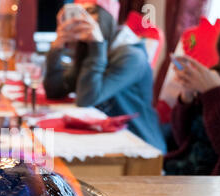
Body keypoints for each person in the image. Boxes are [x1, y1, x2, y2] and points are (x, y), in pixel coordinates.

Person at [44, 0, 167, 153]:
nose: (83, 19)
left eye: (91, 12)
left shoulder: (132, 56)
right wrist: (58, 45)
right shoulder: (92, 49)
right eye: (78, 13)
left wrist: (97, 45)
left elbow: (85, 99)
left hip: (140, 147)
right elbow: (55, 91)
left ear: (107, 16)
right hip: (105, 139)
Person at [164, 28, 220, 176]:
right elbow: (181, 139)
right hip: (183, 170)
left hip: (210, 184)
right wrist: (187, 97)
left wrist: (215, 93)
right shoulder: (214, 76)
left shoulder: (214, 85)